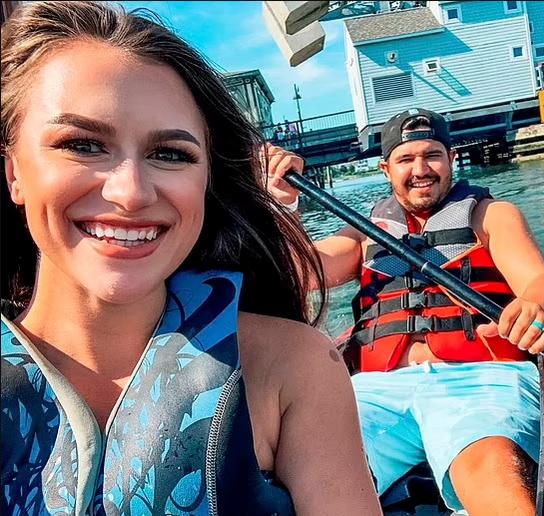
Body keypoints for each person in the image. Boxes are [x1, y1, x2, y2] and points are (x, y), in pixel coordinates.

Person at [0, 2, 382, 515]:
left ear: (206, 180)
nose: (132, 193)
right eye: (83, 145)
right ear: (14, 173)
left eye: (170, 154)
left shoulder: (289, 368)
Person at [266, 108, 544, 515]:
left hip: (481, 379)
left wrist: (536, 308)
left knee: (489, 469)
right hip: (377, 389)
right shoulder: (364, 231)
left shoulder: (491, 215)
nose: (421, 169)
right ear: (386, 169)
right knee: (310, 471)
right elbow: (301, 272)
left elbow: (541, 284)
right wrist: (283, 205)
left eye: (432, 155)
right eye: (406, 159)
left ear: (452, 159)